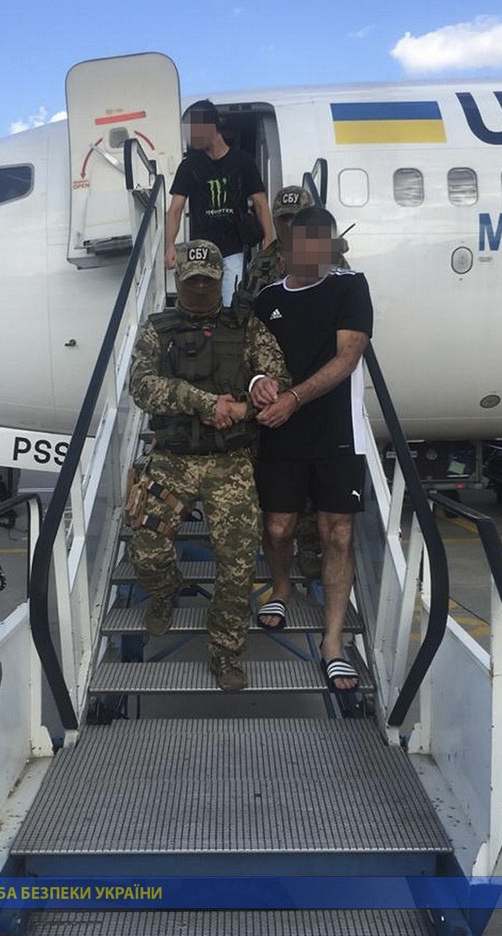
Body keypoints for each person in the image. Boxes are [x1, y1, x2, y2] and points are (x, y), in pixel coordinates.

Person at [128, 240, 290, 692]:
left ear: (221, 279)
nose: (200, 287)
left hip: (229, 461)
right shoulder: (157, 329)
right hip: (172, 458)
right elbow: (141, 386)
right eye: (192, 280)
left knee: (237, 563)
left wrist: (250, 400)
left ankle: (225, 652)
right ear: (179, 280)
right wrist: (202, 402)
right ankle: (165, 592)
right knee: (147, 550)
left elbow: (280, 380)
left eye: (208, 280)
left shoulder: (247, 327)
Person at [251, 206, 373, 692]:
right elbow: (252, 357)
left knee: (337, 534)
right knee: (278, 528)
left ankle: (333, 643)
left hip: (336, 431)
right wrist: (258, 382)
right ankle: (281, 588)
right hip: (281, 432)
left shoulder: (350, 286)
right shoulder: (267, 298)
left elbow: (348, 357)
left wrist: (293, 399)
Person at [164, 100, 274, 307]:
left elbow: (260, 203)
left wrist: (268, 242)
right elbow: (175, 210)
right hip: (201, 251)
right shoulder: (189, 166)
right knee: (202, 306)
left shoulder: (243, 161)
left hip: (234, 248)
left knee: (232, 304)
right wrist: (170, 245)